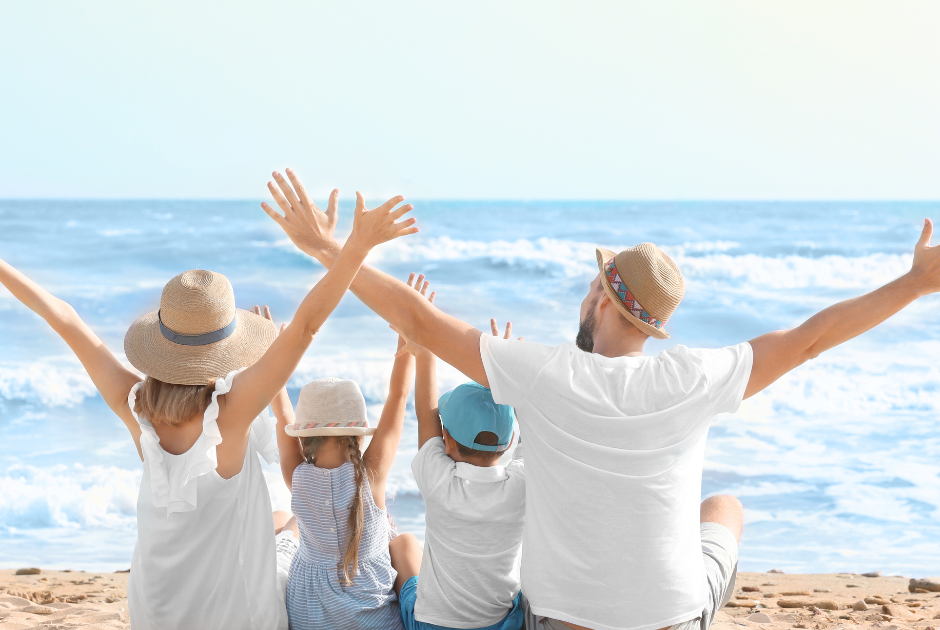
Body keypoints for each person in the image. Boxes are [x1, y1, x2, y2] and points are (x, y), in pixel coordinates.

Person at [262, 169, 940, 630]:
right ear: (652, 324)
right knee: (724, 510)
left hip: (561, 621)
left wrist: (328, 248)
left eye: (591, 289)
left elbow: (419, 323)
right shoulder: (694, 376)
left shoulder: (545, 375)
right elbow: (812, 338)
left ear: (601, 297)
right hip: (671, 618)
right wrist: (912, 285)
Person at [0, 187, 417, 630]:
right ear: (225, 349)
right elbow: (307, 326)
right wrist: (353, 248)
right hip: (239, 616)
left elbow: (64, 318)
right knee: (288, 536)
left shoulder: (135, 407)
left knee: (285, 528)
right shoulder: (231, 415)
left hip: (154, 613)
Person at [267, 274, 425, 630]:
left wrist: (275, 355)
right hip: (374, 621)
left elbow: (282, 417)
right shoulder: (371, 476)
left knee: (282, 522)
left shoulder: (298, 476)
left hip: (310, 617)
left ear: (304, 440)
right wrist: (407, 337)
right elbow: (397, 399)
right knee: (401, 540)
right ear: (357, 435)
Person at [393, 275, 526, 630]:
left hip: (434, 625)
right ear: (510, 441)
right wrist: (506, 371)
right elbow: (532, 428)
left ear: (446, 440)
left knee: (404, 545)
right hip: (501, 625)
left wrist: (423, 351)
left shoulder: (438, 481)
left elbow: (426, 415)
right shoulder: (523, 484)